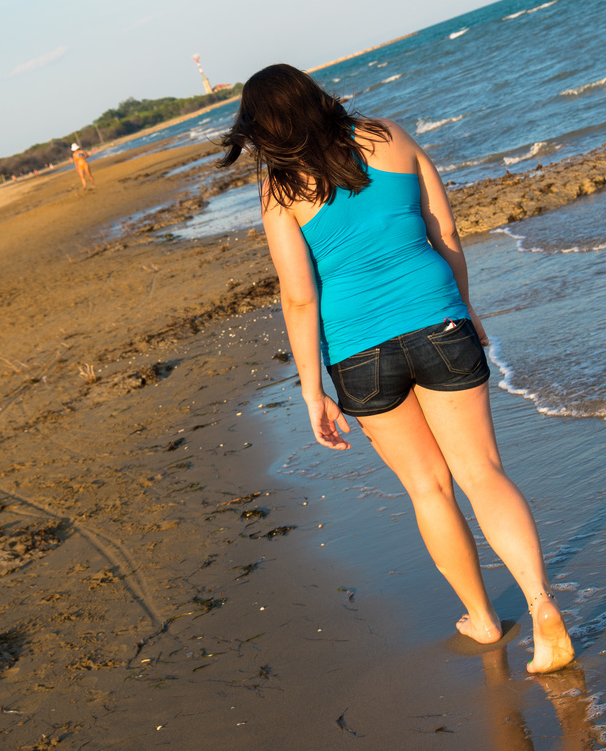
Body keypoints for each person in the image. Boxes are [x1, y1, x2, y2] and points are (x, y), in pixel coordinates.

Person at [219, 63, 574, 674]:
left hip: (360, 352)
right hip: (439, 322)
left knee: (428, 488)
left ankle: (484, 619)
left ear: (263, 131)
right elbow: (445, 231)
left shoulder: (282, 192)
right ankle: (544, 611)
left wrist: (312, 392)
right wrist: (465, 311)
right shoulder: (390, 137)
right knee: (482, 473)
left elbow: (300, 296)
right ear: (315, 95)